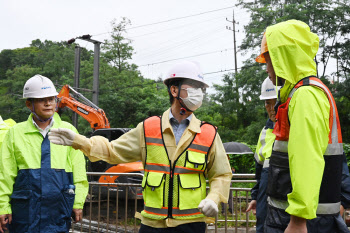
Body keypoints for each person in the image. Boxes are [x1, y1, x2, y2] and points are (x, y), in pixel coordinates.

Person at [48, 60, 233, 233]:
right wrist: (79, 141)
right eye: (193, 87)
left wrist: (214, 197)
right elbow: (112, 151)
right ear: (174, 90)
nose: (198, 92)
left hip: (192, 225)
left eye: (201, 88)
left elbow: (221, 173)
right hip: (152, 225)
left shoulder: (208, 134)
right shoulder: (148, 128)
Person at [256, 19, 349, 232]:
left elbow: (306, 158)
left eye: (269, 60)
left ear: (283, 58)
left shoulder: (305, 95)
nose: (267, 68)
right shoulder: (298, 93)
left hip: (302, 222)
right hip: (295, 218)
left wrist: (298, 219)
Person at [0, 75, 89, 233]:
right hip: (25, 213)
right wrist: (3, 206)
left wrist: (78, 202)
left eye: (51, 99)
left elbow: (79, 171)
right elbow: (5, 173)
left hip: (57, 212)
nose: (48, 103)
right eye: (42, 100)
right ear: (29, 104)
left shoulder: (68, 131)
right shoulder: (15, 133)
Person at [246, 77, 279, 233]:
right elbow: (260, 172)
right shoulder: (265, 132)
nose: (271, 108)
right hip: (265, 210)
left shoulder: (297, 129)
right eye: (267, 103)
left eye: (275, 102)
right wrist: (255, 197)